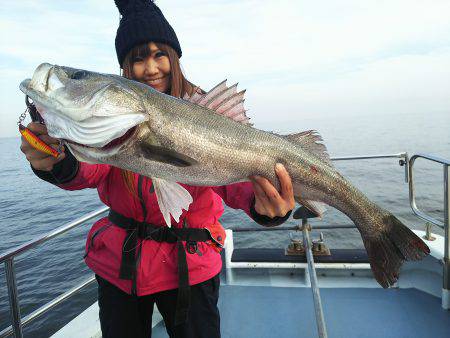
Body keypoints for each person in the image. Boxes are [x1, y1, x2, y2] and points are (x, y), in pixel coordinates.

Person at [19, 1, 295, 337]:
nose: (150, 68)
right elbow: (89, 170)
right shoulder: (112, 124)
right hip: (121, 267)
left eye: (159, 54)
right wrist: (57, 162)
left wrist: (266, 207)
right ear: (124, 69)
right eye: (137, 58)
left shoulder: (209, 114)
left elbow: (237, 180)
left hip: (190, 267)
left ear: (174, 58)